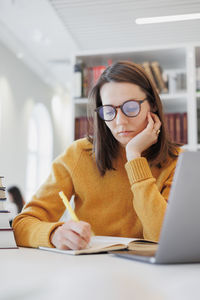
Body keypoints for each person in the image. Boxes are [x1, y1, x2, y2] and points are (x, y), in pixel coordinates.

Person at [13, 61, 180, 250]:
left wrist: (134, 156)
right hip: (91, 270)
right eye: (109, 110)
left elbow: (164, 237)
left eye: (131, 107)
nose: (120, 121)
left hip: (155, 274)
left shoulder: (178, 161)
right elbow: (21, 225)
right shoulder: (78, 155)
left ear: (153, 105)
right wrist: (54, 234)